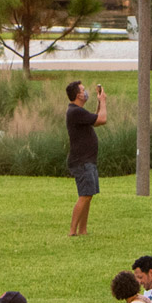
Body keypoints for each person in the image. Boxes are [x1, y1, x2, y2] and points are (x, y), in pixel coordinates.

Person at [65, 80, 106, 237]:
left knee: (88, 195)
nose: (85, 91)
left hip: (88, 160)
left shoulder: (78, 112)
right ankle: (72, 231)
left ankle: (82, 230)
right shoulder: (75, 111)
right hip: (81, 161)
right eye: (83, 90)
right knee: (85, 195)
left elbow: (95, 119)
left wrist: (98, 102)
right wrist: (103, 102)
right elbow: (102, 119)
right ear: (78, 95)